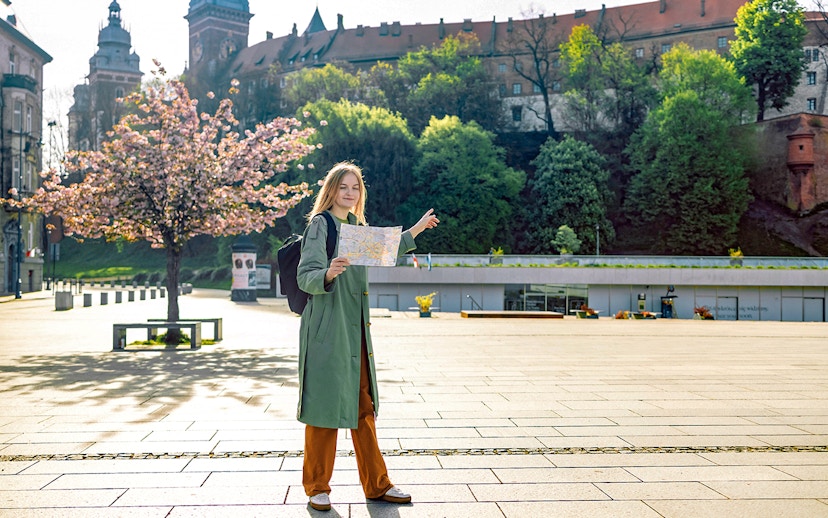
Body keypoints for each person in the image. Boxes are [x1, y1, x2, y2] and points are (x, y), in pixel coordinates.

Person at [296, 161, 439, 512]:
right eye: (344, 186)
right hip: (327, 329)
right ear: (331, 189)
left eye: (355, 187)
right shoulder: (322, 225)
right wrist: (327, 273)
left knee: (364, 408)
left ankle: (377, 484)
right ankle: (317, 487)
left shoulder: (356, 226)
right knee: (324, 410)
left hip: (355, 331)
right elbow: (305, 275)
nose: (350, 193)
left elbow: (384, 248)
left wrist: (417, 228)